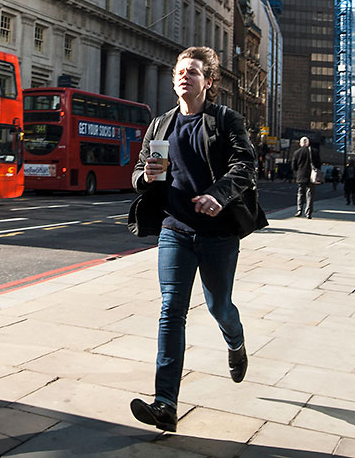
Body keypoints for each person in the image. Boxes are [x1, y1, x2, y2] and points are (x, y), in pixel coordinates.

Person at [129, 46, 257, 433]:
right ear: (173, 80)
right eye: (180, 71)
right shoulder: (161, 124)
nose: (185, 76)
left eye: (194, 72)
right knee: (171, 310)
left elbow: (244, 166)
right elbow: (139, 170)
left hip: (217, 234)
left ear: (209, 82)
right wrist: (146, 177)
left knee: (219, 306)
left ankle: (235, 342)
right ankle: (165, 403)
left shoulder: (227, 120)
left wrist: (218, 195)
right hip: (175, 230)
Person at [292, 137, 321, 218]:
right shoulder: (314, 152)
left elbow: (294, 166)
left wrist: (298, 171)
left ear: (301, 144)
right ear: (308, 143)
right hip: (312, 176)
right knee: (310, 194)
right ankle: (308, 212)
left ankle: (299, 210)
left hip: (301, 175)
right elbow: (318, 164)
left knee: (300, 193)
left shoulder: (297, 152)